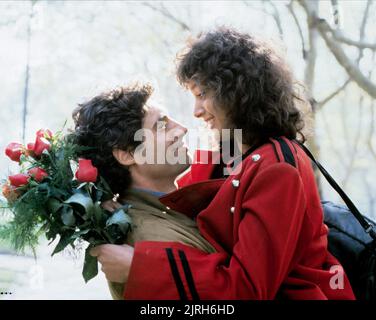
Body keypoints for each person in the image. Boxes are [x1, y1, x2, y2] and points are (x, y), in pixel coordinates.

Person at [91, 27, 355, 300]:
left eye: (202, 94)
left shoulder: (277, 167)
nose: (195, 111)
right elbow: (173, 196)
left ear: (235, 90)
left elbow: (247, 289)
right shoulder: (228, 150)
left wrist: (140, 267)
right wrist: (111, 203)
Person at [72, 84, 215, 299]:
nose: (183, 128)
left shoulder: (167, 209)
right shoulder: (148, 240)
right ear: (128, 154)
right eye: (161, 125)